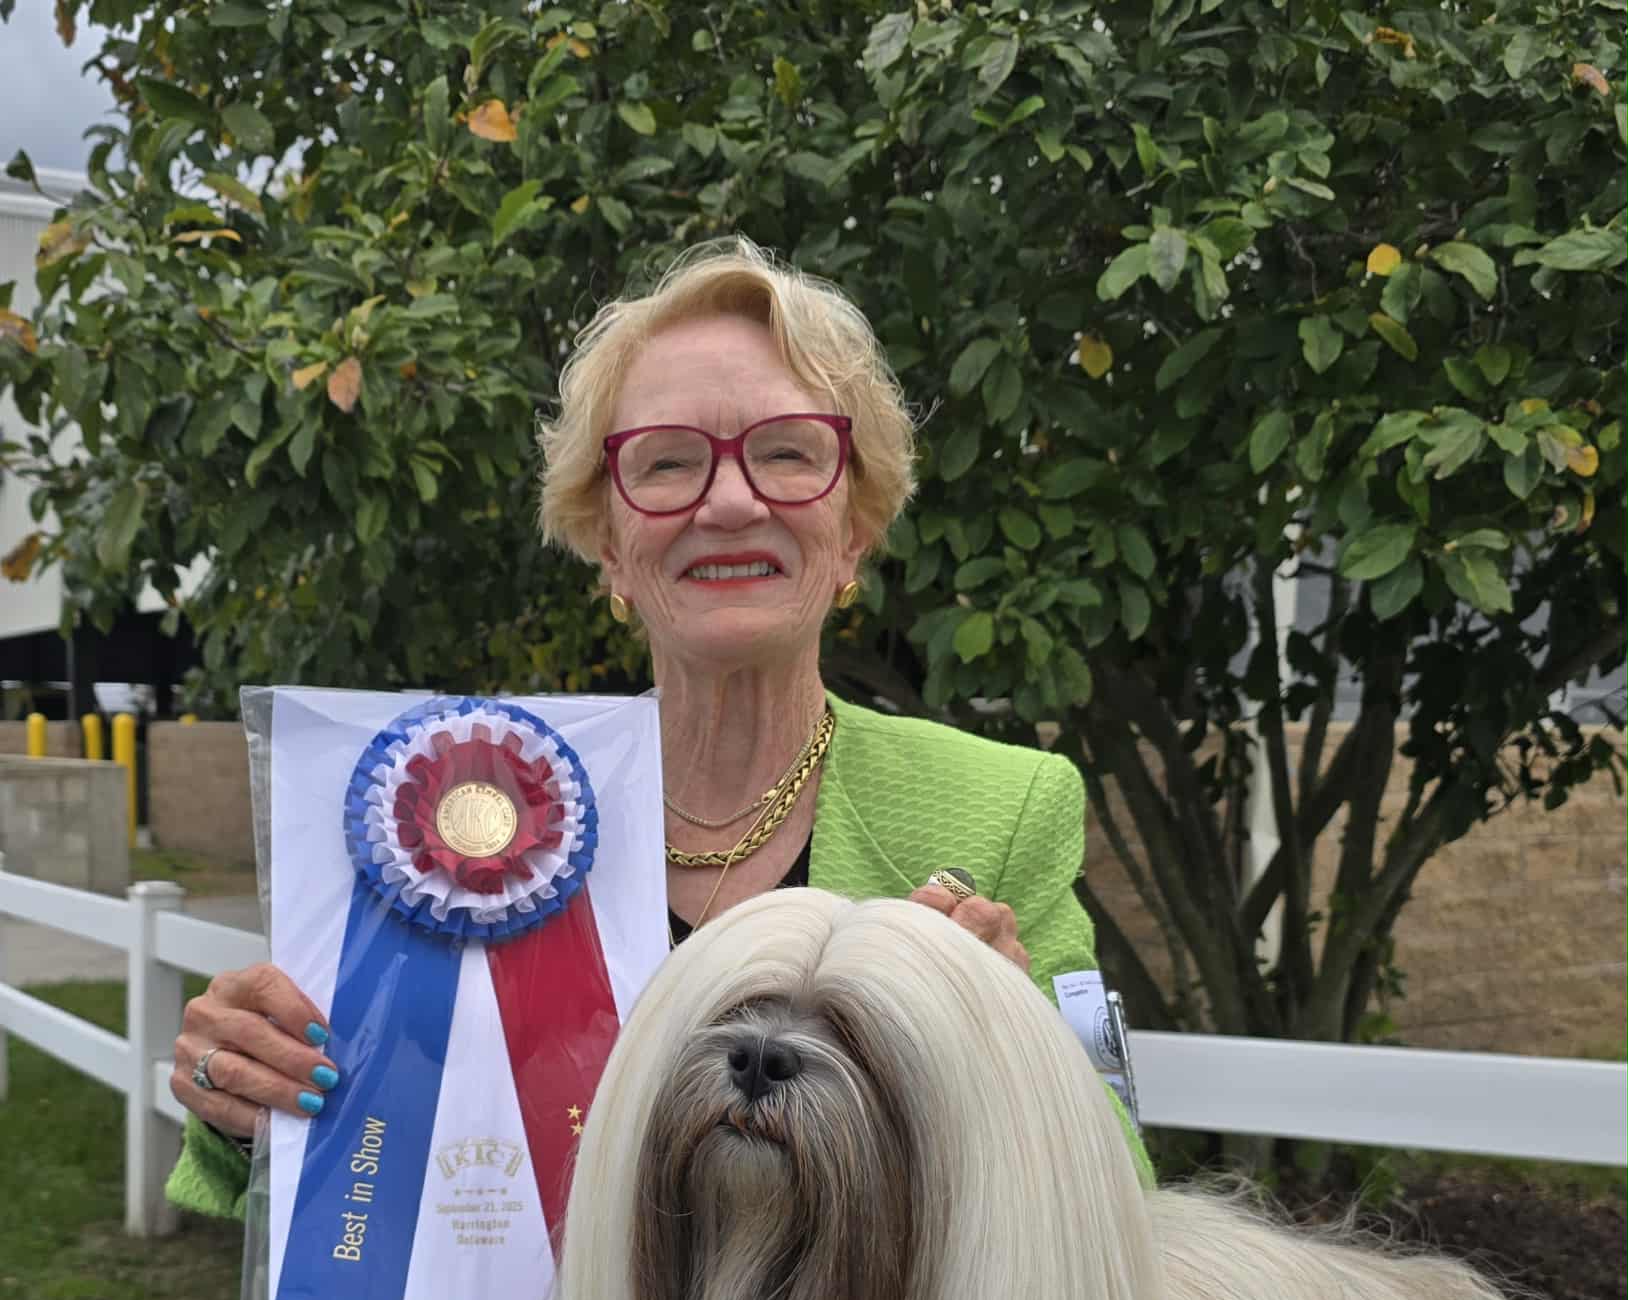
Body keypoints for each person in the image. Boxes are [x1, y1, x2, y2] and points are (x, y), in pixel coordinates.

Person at [167, 239, 1147, 1220]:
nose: (731, 501)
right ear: (609, 547)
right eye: (668, 462)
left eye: (787, 452)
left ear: (855, 529)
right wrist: (244, 1097)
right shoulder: (459, 812)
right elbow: (354, 1190)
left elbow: (1121, 1172)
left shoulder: (1005, 808)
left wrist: (1016, 1057)